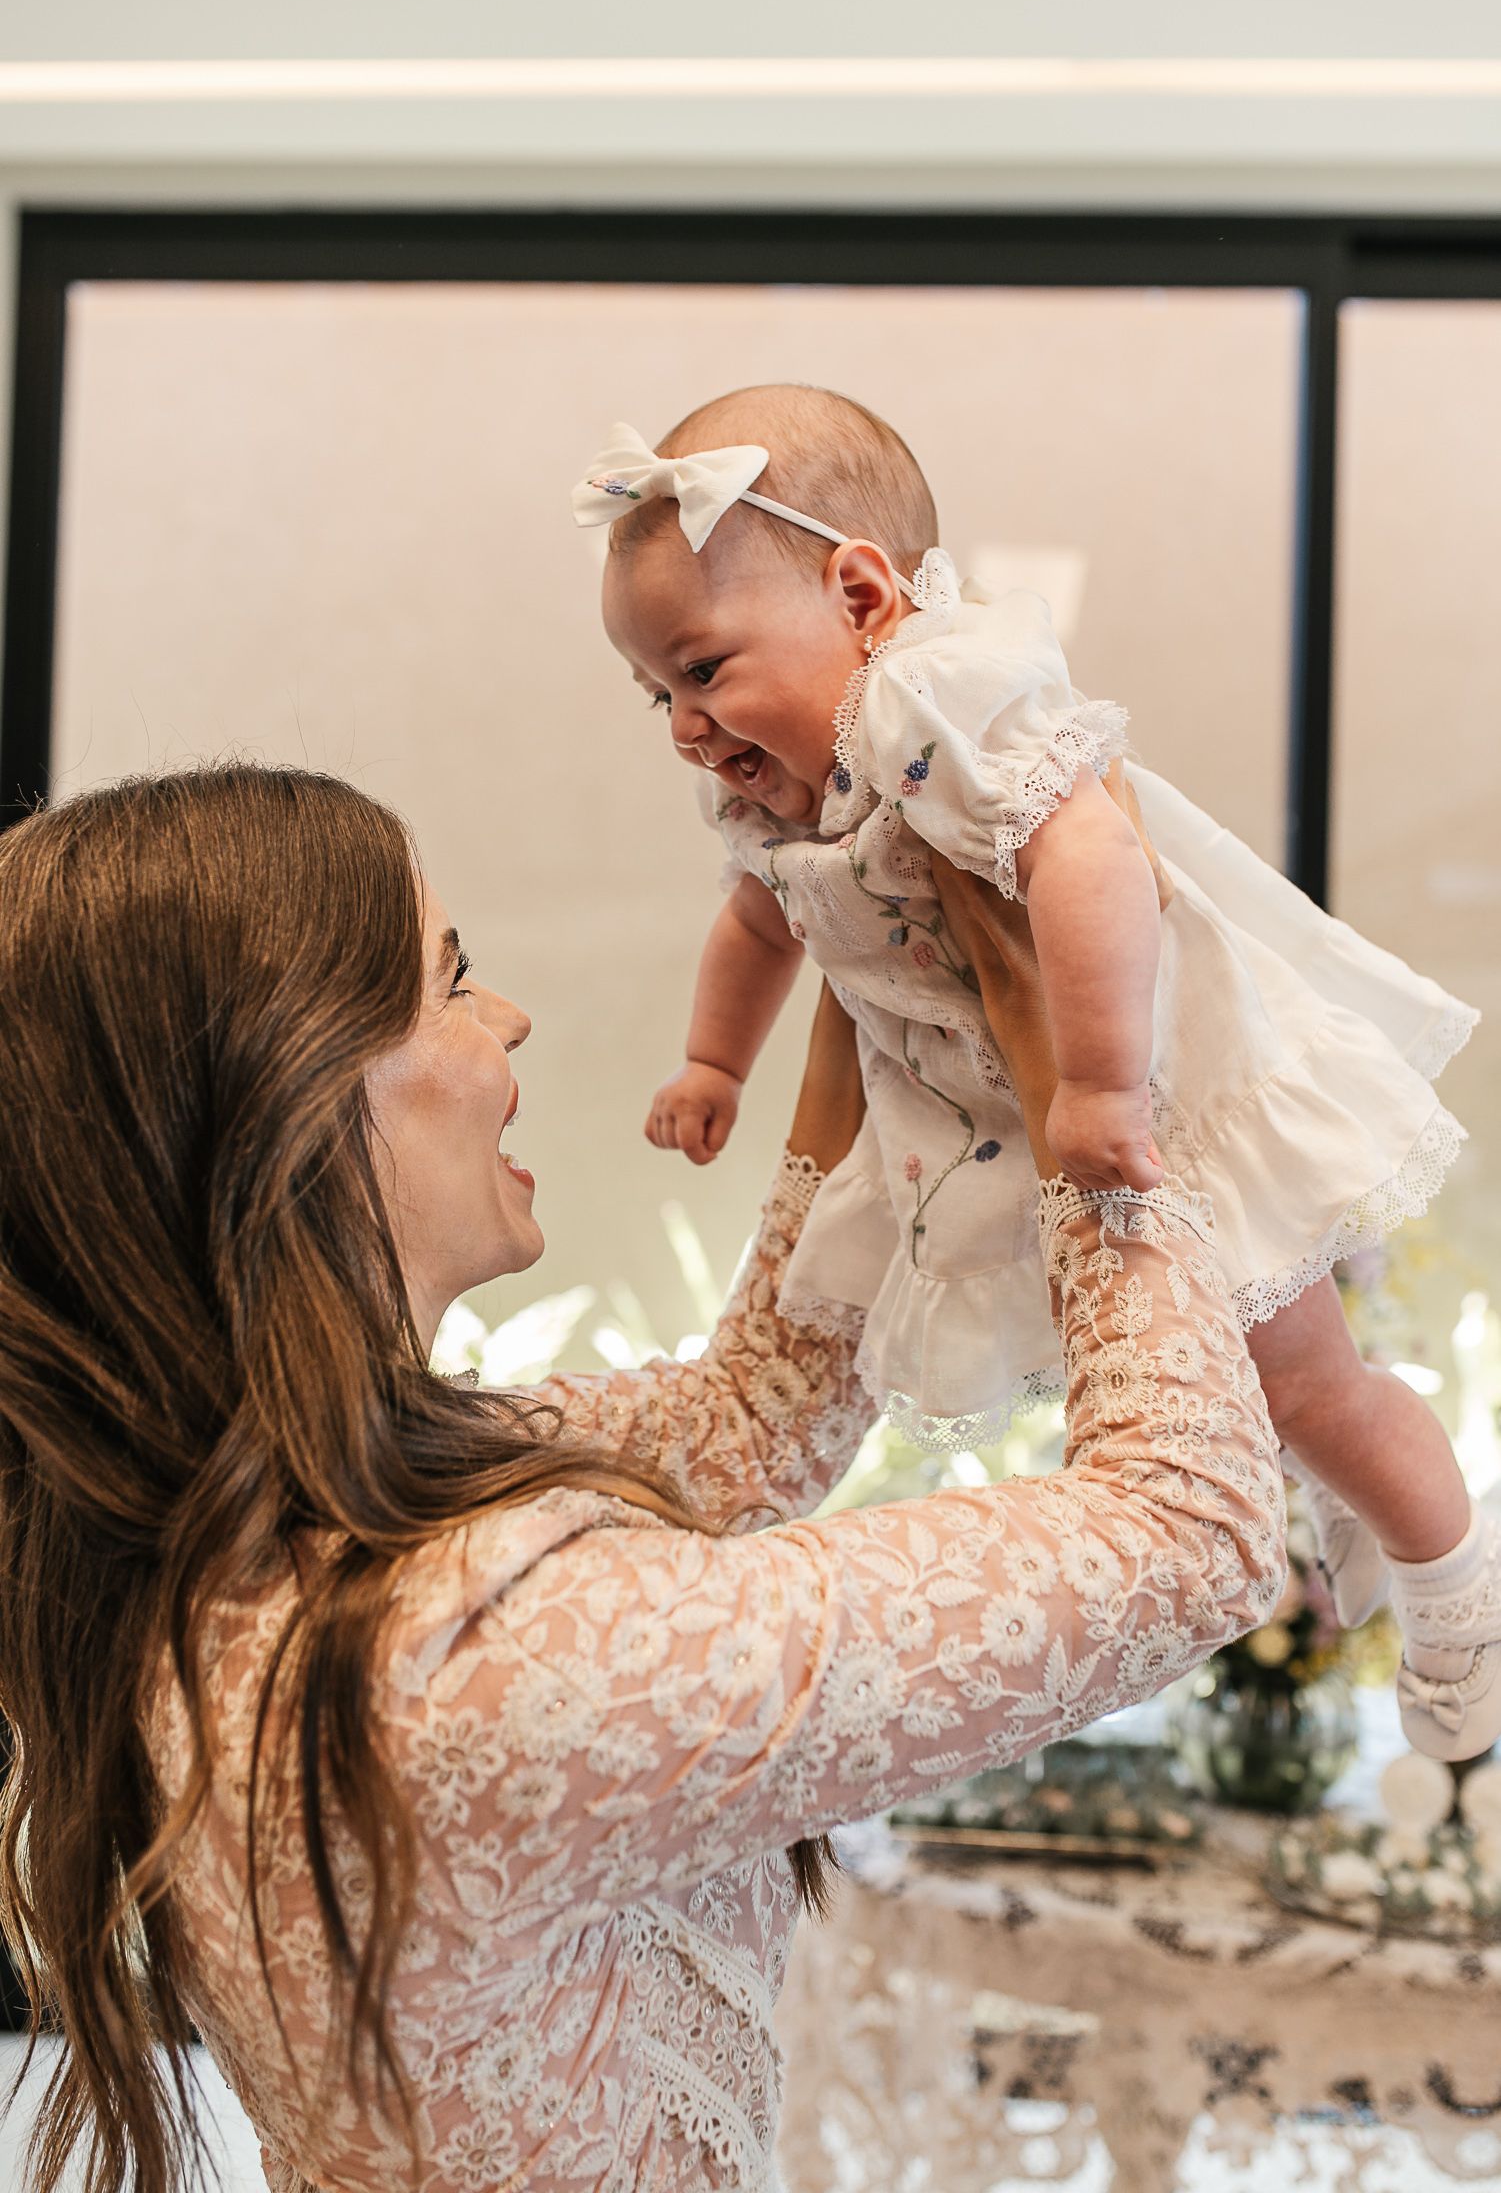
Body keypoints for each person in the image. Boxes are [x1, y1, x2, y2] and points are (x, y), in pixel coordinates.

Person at [0, 764, 1281, 2193]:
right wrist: (1086, 1091)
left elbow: (752, 1419)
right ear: (293, 1091)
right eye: (451, 979)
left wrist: (871, 995)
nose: (508, 1017)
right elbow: (1193, 1528)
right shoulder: (469, 1650)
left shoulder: (255, 1526)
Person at [575, 384, 1500, 1759]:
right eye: (658, 691)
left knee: (1309, 1385)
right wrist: (715, 1062)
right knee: (1222, 1384)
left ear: (863, 597)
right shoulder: (777, 784)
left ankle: (1454, 1583)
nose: (683, 726)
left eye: (703, 670)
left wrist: (1106, 1084)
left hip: (1158, 1092)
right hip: (992, 1113)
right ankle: (1355, 1503)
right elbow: (760, 920)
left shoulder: (931, 701)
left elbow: (1093, 856)